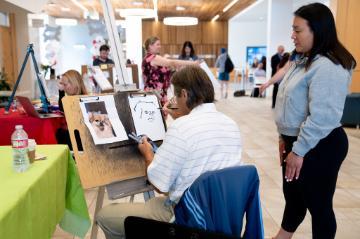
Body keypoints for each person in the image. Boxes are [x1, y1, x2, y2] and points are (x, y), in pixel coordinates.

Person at [96, 66, 242, 239]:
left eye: (175, 96)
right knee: (152, 203)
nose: (173, 101)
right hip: (223, 214)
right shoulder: (230, 124)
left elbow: (159, 185)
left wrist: (148, 154)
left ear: (185, 95)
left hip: (188, 218)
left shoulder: (182, 128)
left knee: (105, 216)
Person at [272, 3, 356, 239]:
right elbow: (289, 104)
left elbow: (322, 118)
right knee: (294, 198)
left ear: (317, 30)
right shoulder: (303, 60)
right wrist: (284, 138)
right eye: (293, 29)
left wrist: (298, 151)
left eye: (298, 30)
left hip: (319, 145)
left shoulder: (328, 66)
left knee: (319, 207)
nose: (292, 35)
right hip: (296, 143)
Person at [142, 36, 198, 106]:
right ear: (150, 46)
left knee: (168, 112)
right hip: (154, 94)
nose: (160, 46)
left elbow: (170, 69)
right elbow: (172, 62)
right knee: (164, 113)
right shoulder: (152, 58)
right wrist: (193, 63)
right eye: (158, 44)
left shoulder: (154, 58)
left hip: (162, 93)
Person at [57, 70, 87, 150]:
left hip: (80, 137)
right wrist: (61, 92)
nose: (62, 87)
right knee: (60, 132)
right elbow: (62, 108)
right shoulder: (73, 97)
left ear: (74, 83)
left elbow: (63, 108)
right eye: (61, 84)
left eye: (65, 84)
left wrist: (61, 92)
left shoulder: (79, 99)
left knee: (62, 133)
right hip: (75, 133)